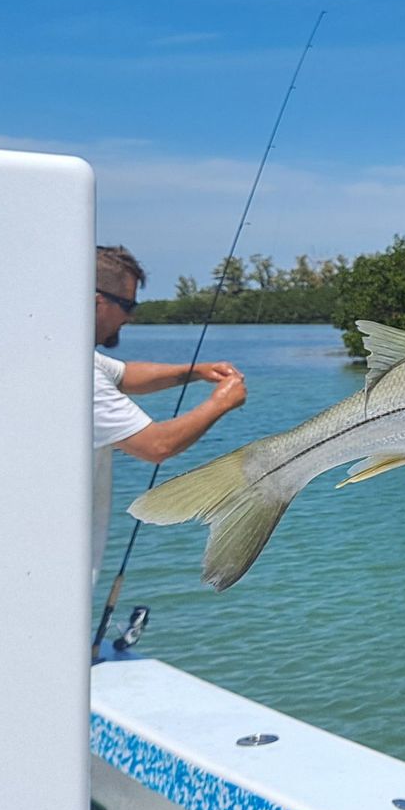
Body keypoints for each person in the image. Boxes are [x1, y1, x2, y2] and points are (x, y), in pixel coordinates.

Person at [92, 245, 247, 582]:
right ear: (96, 301)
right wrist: (221, 402)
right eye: (127, 306)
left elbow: (124, 375)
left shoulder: (70, 355)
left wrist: (197, 371)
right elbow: (156, 446)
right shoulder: (77, 374)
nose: (130, 318)